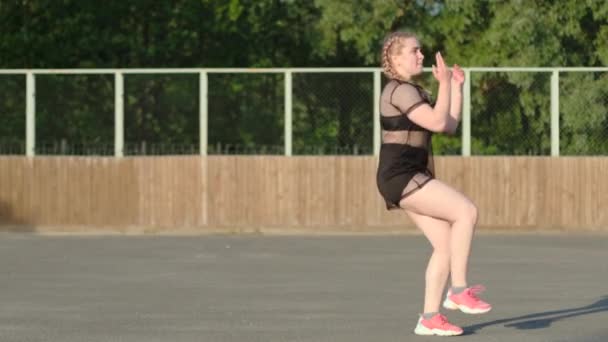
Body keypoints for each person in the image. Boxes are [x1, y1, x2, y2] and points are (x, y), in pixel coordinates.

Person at [376, 31, 492, 336]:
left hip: (410, 173)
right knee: (466, 211)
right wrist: (443, 84)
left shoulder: (415, 92)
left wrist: (456, 87)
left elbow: (449, 124)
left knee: (444, 245)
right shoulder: (397, 91)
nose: (421, 56)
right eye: (415, 51)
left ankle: (429, 317)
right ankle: (459, 290)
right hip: (400, 173)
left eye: (421, 51)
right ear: (396, 57)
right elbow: (438, 123)